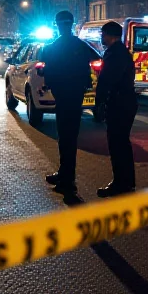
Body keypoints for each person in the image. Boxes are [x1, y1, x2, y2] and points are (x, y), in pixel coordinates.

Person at [42, 10, 101, 195]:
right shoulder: (80, 45)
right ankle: (64, 174)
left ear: (57, 25)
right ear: (72, 24)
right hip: (75, 96)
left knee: (65, 138)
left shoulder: (52, 47)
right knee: (69, 137)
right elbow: (96, 58)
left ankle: (67, 180)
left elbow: (45, 68)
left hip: (63, 96)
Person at [95, 21, 138, 198]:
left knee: (117, 144)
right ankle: (126, 182)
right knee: (122, 144)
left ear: (110, 35)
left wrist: (99, 103)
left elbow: (107, 81)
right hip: (125, 102)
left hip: (119, 104)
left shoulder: (114, 55)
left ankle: (120, 183)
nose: (101, 37)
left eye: (103, 34)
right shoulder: (120, 52)